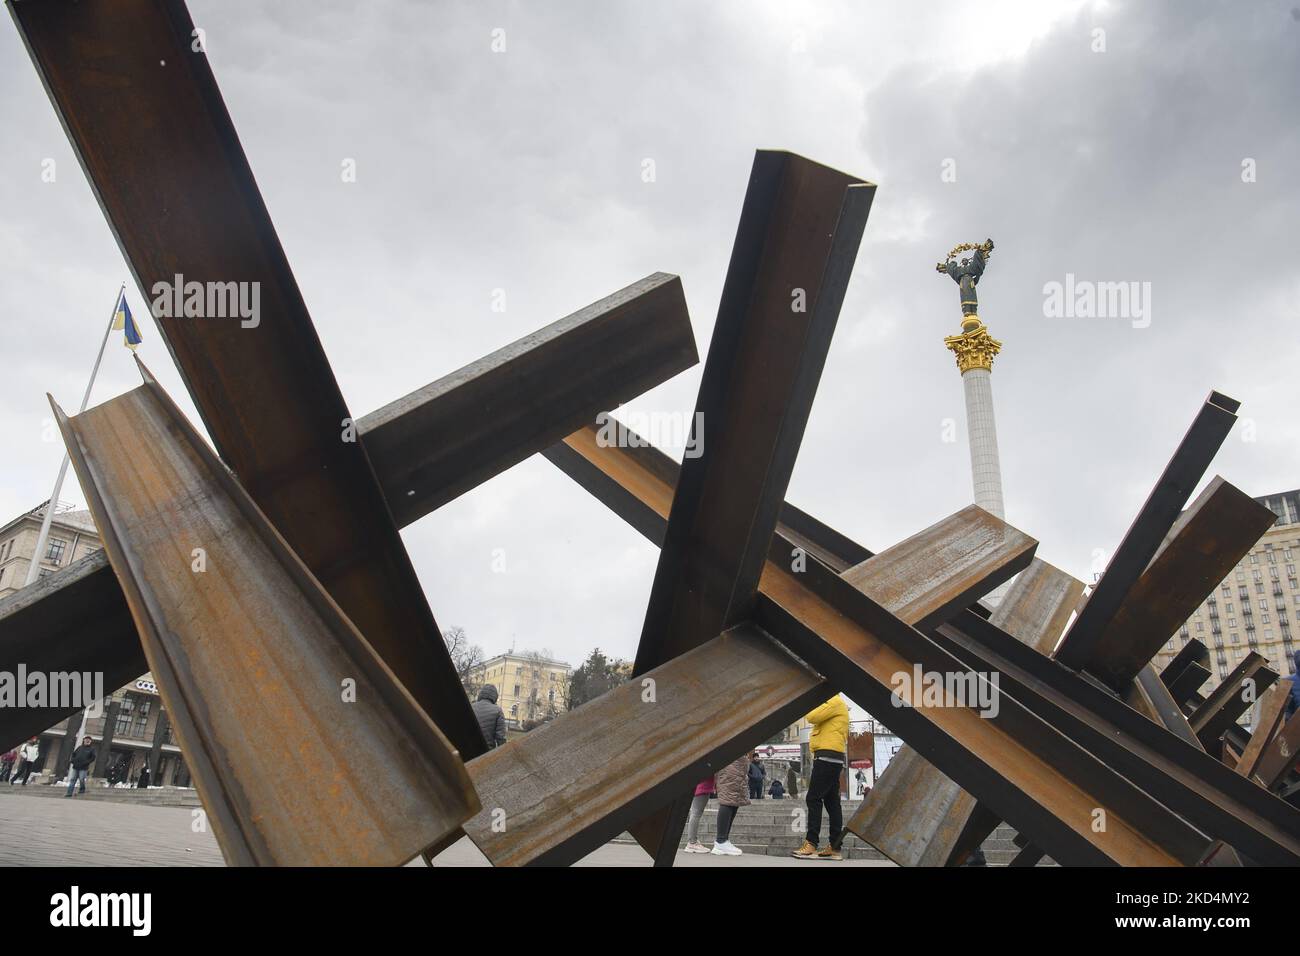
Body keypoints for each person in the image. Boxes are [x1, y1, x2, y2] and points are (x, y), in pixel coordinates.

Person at [793, 694, 849, 861]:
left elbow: (812, 716)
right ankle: (835, 846)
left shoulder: (834, 701)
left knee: (813, 798)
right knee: (832, 802)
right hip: (832, 757)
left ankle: (811, 843)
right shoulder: (836, 703)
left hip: (827, 756)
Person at [711, 753, 750, 856]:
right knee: (727, 801)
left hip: (736, 764)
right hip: (730, 764)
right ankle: (721, 841)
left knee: (733, 801)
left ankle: (723, 841)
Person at [683, 776, 715, 854]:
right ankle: (692, 843)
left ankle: (692, 841)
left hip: (701, 787)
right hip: (703, 788)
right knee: (696, 814)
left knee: (695, 814)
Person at [472, 684, 508, 749]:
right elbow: (501, 737)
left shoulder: (471, 706)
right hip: (487, 751)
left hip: (469, 749)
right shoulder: (498, 710)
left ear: (481, 694)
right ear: (495, 697)